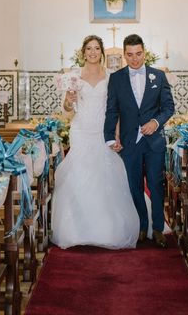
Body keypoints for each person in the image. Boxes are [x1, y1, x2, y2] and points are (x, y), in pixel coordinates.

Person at [51, 35, 140, 249]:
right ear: (83, 52)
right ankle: (77, 228)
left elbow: (115, 109)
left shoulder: (111, 76)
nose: (93, 52)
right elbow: (66, 110)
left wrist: (116, 134)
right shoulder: (73, 77)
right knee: (80, 173)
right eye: (89, 48)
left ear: (102, 52)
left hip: (103, 131)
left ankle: (108, 228)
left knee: (105, 173)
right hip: (80, 130)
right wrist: (68, 101)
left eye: (96, 48)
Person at [104, 34, 175, 248]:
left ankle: (158, 228)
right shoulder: (116, 78)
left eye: (138, 54)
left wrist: (156, 121)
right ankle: (142, 226)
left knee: (155, 184)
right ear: (124, 55)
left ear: (145, 52)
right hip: (128, 142)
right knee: (134, 185)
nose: (135, 59)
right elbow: (112, 110)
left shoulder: (158, 76)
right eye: (130, 55)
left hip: (153, 142)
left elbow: (168, 107)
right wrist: (109, 138)